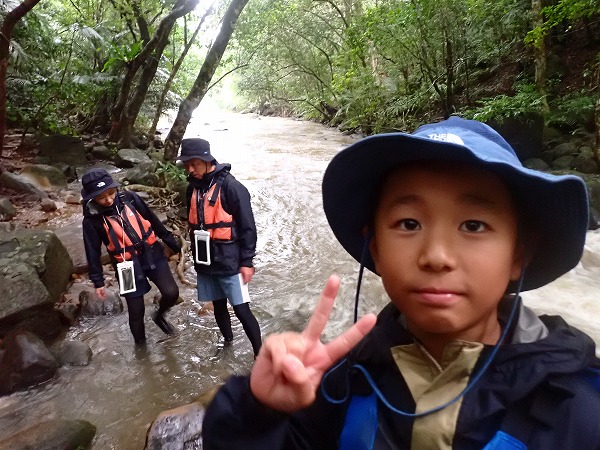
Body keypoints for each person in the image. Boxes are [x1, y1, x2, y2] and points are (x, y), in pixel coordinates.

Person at [201, 117, 600, 449]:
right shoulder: (342, 384)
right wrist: (259, 412)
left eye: (474, 225)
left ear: (518, 255)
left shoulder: (579, 411)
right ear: (375, 247)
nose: (437, 256)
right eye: (409, 223)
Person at [180, 138, 262, 357]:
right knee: (218, 305)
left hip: (230, 261)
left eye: (194, 164)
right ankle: (227, 344)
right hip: (205, 260)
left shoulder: (232, 187)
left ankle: (260, 354)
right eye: (186, 164)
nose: (190, 169)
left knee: (241, 309)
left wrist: (247, 262)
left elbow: (248, 227)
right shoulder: (192, 189)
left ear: (207, 160)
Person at [81, 168, 181, 345]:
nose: (108, 200)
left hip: (152, 254)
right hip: (125, 266)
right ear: (92, 198)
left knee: (171, 293)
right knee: (136, 311)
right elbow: (92, 251)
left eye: (111, 193)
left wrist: (171, 242)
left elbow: (152, 220)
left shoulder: (130, 198)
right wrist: (98, 281)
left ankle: (159, 316)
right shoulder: (91, 220)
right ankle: (142, 351)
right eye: (101, 197)